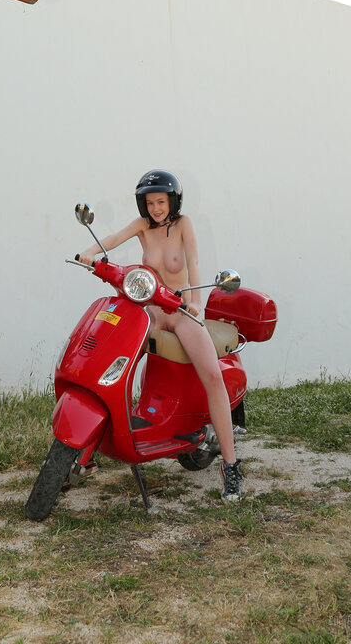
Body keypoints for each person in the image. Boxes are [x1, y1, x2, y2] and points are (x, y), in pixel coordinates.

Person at [79, 169, 242, 502]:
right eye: (150, 202)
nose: (155, 208)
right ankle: (84, 452)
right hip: (151, 311)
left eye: (161, 202)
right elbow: (113, 239)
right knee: (111, 361)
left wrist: (196, 304)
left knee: (212, 375)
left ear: (173, 201)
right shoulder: (142, 226)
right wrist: (89, 253)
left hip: (181, 311)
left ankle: (230, 465)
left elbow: (193, 263)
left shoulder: (184, 225)